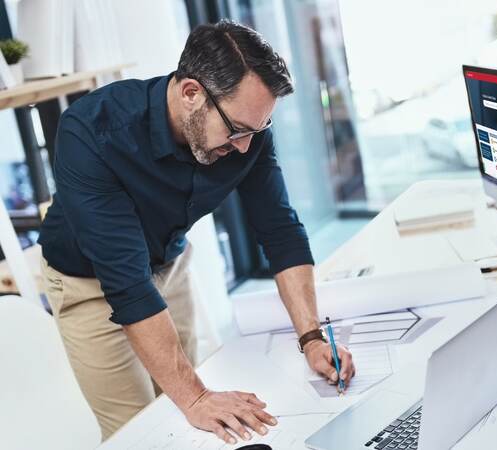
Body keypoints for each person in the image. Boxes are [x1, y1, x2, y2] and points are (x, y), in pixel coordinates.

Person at [38, 20, 355, 445]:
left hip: (167, 266)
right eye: (238, 130)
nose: (246, 147)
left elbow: (280, 230)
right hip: (88, 284)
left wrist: (312, 338)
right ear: (192, 93)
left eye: (257, 131)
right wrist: (197, 396)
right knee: (140, 434)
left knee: (188, 424)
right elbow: (127, 283)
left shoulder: (248, 130)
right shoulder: (92, 131)